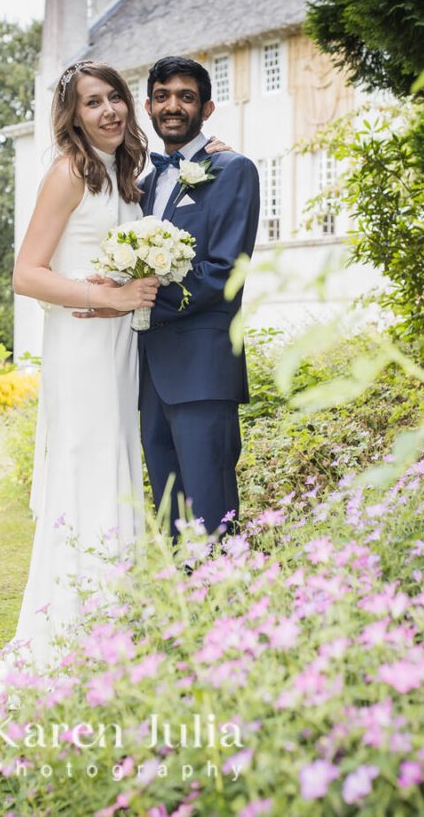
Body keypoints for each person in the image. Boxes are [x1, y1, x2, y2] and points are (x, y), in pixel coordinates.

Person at [0, 60, 163, 716]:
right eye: (92, 102)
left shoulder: (130, 177)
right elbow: (26, 273)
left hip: (121, 348)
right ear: (72, 115)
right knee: (88, 476)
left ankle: (112, 637)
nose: (108, 110)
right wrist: (109, 296)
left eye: (114, 98)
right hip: (83, 350)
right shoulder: (70, 171)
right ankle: (72, 639)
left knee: (117, 476)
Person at [135, 56, 259, 540]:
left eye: (186, 97)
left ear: (206, 108)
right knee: (171, 518)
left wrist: (139, 300)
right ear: (148, 106)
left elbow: (226, 273)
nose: (173, 106)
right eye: (163, 96)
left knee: (212, 517)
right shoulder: (145, 184)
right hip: (150, 375)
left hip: (204, 373)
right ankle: (182, 614)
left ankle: (227, 613)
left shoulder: (233, 170)